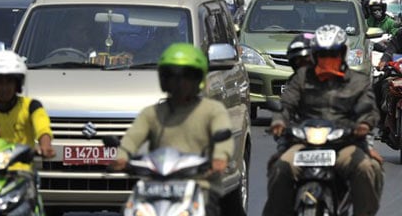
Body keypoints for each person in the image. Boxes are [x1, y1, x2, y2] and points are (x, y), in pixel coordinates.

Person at [263, 24, 384, 216]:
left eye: (333, 54)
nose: (328, 60)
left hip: (345, 143)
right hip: (304, 142)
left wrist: (363, 124)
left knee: (366, 168)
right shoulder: (302, 78)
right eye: (322, 54)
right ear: (314, 54)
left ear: (343, 53)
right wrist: (279, 122)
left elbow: (369, 109)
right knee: (280, 168)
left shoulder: (358, 82)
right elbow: (286, 105)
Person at [110, 43, 234, 216]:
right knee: (129, 210)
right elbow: (132, 138)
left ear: (198, 79)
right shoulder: (153, 113)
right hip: (155, 186)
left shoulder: (212, 110)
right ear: (164, 79)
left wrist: (220, 158)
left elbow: (223, 137)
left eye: (186, 77)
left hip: (200, 184)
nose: (179, 83)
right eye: (172, 76)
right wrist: (121, 157)